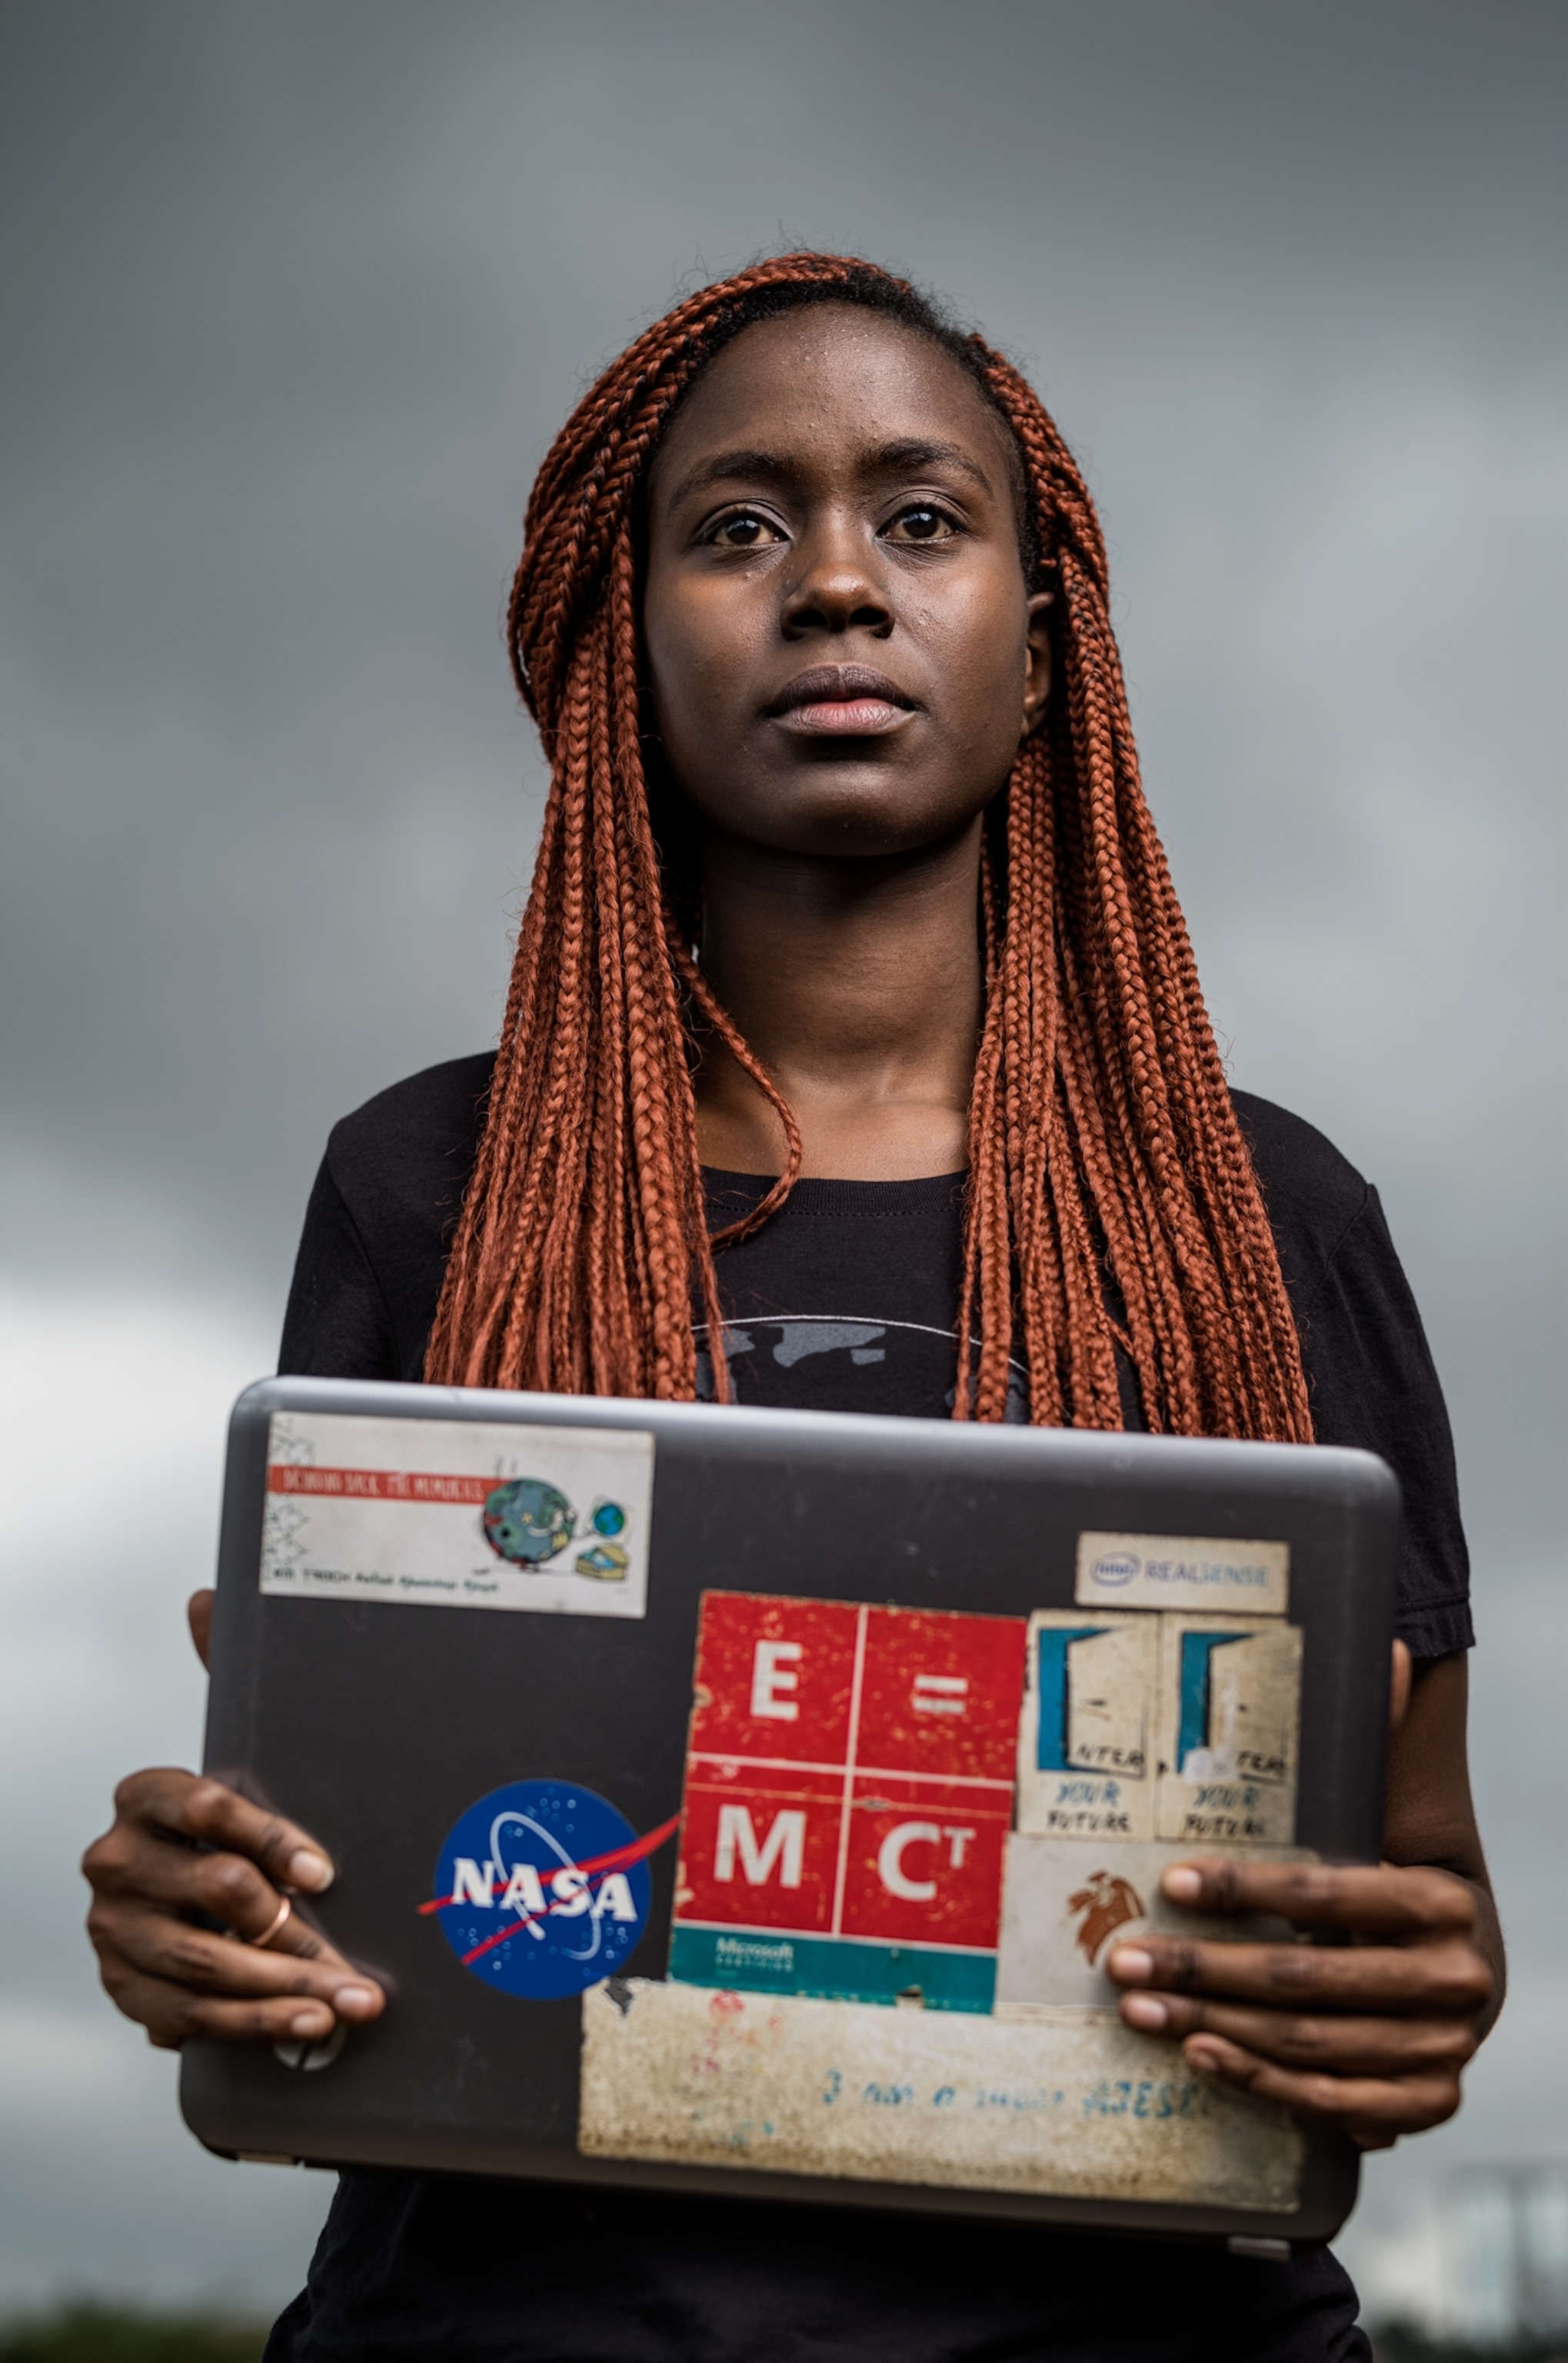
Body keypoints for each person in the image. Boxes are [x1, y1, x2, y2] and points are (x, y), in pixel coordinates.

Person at [83, 254, 1500, 2361]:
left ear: (1043, 643)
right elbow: (333, 1879)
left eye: (922, 519)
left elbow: (1424, 1899)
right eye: (737, 528)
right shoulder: (429, 1187)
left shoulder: (1262, 1217)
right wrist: (200, 1919)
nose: (836, 583)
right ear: (622, 648)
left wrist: (1410, 1996)